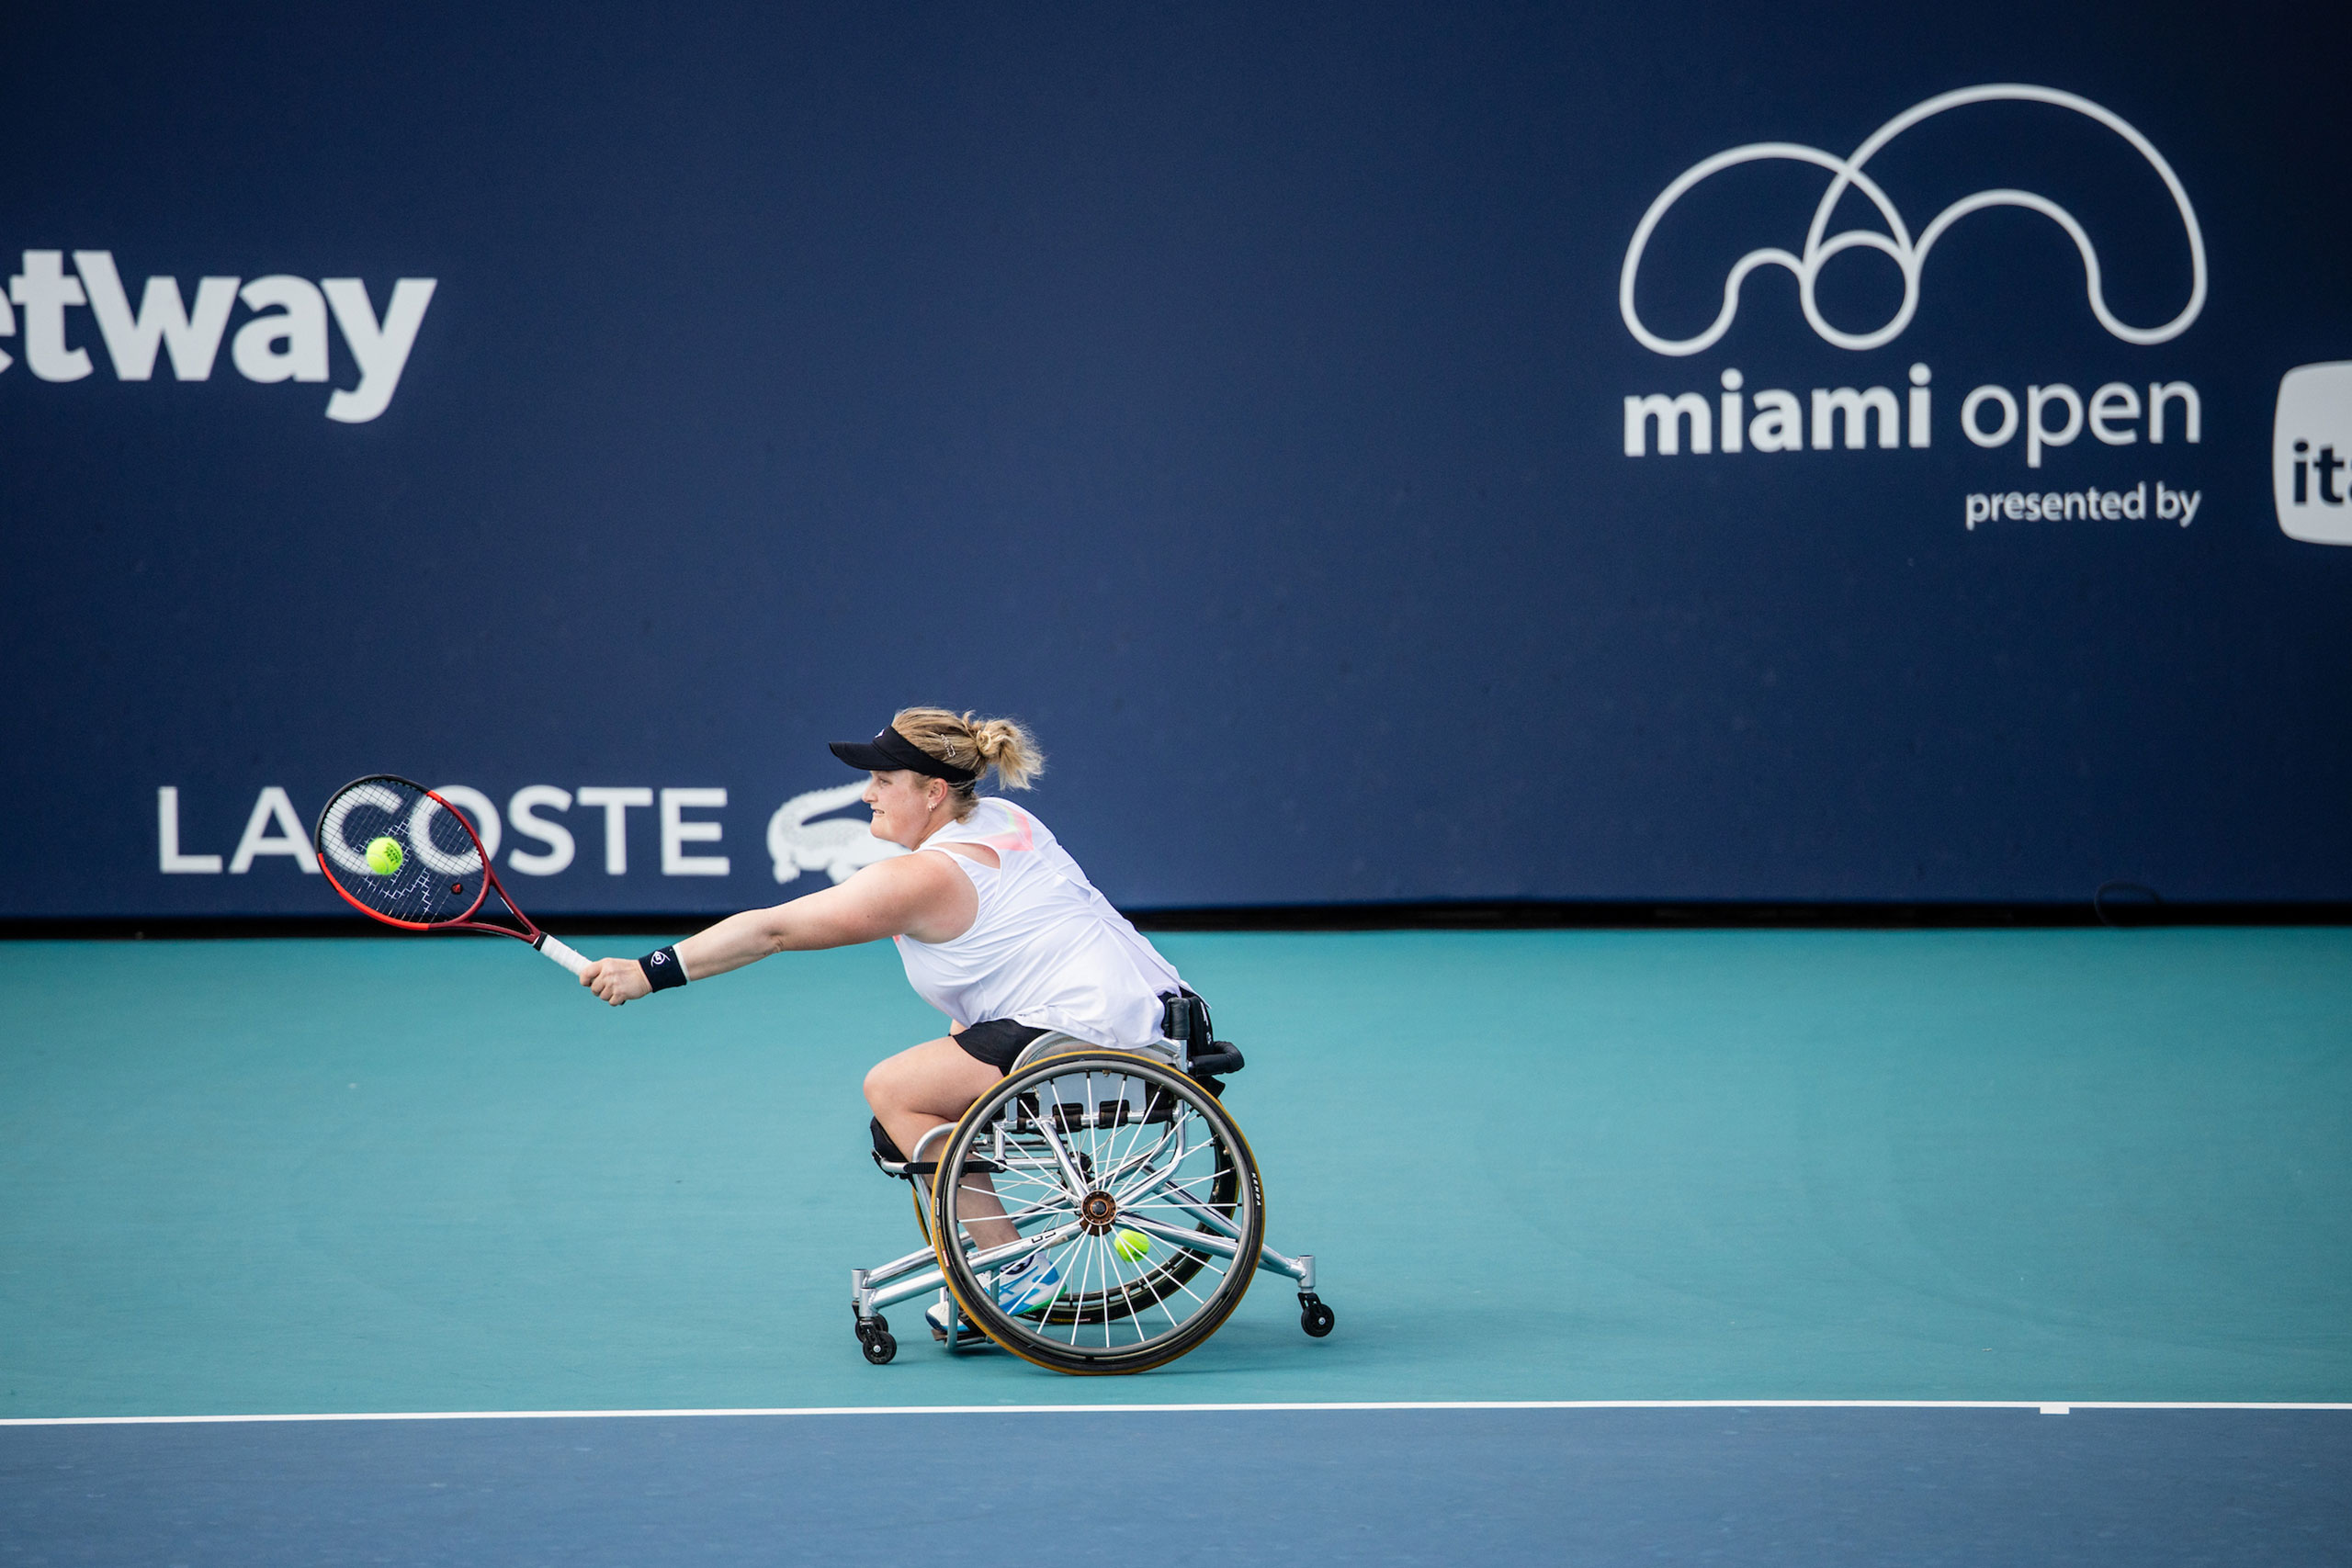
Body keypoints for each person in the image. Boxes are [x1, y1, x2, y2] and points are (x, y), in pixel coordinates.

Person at [578, 706, 1190, 1332]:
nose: (868, 793)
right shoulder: (1006, 819)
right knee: (940, 1069)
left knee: (893, 1087)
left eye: (884, 780)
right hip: (1161, 1021)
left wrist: (648, 970)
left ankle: (1014, 1266)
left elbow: (774, 929)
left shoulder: (922, 877)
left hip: (1093, 1037)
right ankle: (990, 1244)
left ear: (933, 792)